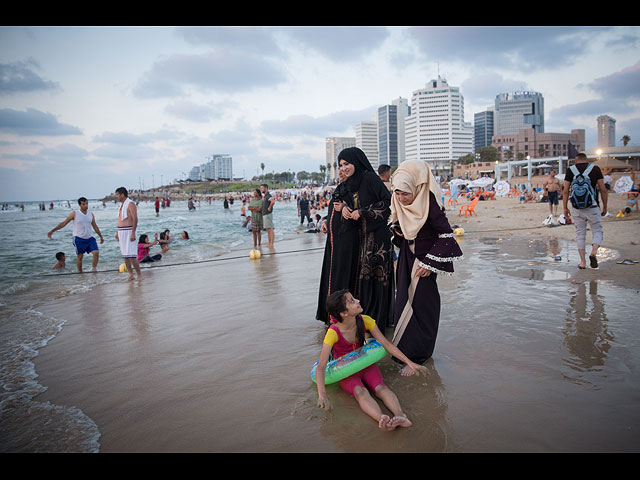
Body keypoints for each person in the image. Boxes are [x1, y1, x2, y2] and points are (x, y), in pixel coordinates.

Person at [389, 160, 463, 375]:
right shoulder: (398, 201)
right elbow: (398, 226)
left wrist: (430, 263)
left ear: (416, 189)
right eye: (398, 193)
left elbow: (446, 235)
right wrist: (398, 231)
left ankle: (419, 355)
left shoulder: (429, 203)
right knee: (403, 303)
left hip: (424, 264)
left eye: (406, 194)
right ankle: (404, 354)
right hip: (406, 259)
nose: (401, 199)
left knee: (423, 306)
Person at [315, 290, 427, 430]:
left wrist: (410, 363)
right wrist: (323, 395)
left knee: (380, 388)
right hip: (347, 371)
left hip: (365, 364)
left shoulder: (365, 320)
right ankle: (382, 419)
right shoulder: (333, 333)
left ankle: (400, 415)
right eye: (352, 301)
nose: (358, 301)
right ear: (343, 313)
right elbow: (321, 367)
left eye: (354, 298)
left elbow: (386, 344)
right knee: (360, 392)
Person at [332, 147, 395, 331]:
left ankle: (378, 325)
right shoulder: (353, 183)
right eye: (341, 164)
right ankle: (367, 324)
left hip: (378, 239)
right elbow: (348, 201)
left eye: (347, 164)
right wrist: (344, 207)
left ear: (356, 162)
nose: (344, 168)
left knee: (376, 280)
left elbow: (387, 203)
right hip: (364, 239)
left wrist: (363, 212)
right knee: (365, 281)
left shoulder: (369, 177)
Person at [562, 153, 608, 270]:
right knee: (597, 230)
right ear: (586, 160)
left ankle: (582, 263)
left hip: (577, 208)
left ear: (576, 161)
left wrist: (565, 207)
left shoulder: (570, 170)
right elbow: (603, 189)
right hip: (592, 206)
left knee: (580, 234)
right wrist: (604, 206)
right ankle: (593, 251)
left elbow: (566, 191)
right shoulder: (595, 169)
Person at [47, 197, 104, 272]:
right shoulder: (74, 213)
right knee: (80, 257)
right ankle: (80, 273)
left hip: (89, 238)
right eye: (83, 204)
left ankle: (94, 269)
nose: (86, 206)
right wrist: (52, 230)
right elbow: (64, 223)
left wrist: (101, 236)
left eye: (87, 203)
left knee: (96, 252)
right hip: (78, 238)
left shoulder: (91, 214)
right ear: (80, 205)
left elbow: (95, 226)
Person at [115, 187, 142, 280]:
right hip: (121, 231)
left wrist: (133, 233)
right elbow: (119, 219)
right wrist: (117, 232)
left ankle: (139, 274)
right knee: (125, 256)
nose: (116, 197)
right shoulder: (122, 205)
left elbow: (135, 218)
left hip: (129, 230)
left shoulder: (130, 204)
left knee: (131, 256)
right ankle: (131, 274)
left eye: (117, 195)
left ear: (122, 195)